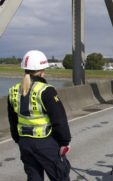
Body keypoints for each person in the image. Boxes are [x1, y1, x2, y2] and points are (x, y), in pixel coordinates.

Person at [7, 50, 71, 181]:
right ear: (42, 71)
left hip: (25, 143)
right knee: (61, 176)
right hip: (45, 142)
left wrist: (19, 140)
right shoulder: (46, 90)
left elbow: (13, 121)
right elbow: (59, 120)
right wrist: (64, 142)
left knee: (34, 178)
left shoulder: (14, 91)